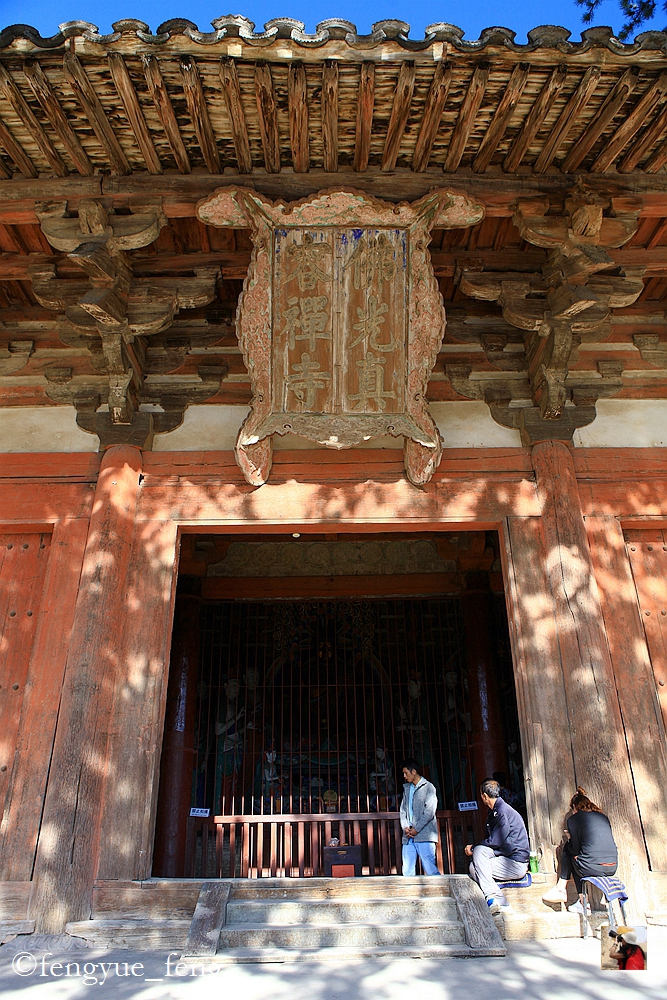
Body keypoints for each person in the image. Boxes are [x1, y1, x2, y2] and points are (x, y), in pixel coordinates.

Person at [542, 787, 618, 914]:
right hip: (612, 866)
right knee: (577, 857)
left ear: (575, 807)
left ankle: (576, 897)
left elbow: (576, 849)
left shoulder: (574, 819)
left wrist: (571, 838)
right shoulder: (603, 817)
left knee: (571, 852)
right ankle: (569, 894)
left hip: (592, 867)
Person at [466, 778, 530, 913]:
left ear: (484, 796)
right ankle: (501, 901)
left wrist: (473, 847)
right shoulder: (495, 811)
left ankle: (491, 897)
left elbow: (496, 841)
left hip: (515, 862)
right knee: (474, 866)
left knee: (478, 858)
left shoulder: (502, 811)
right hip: (504, 856)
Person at [399, 758, 441, 876]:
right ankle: (409, 893)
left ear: (414, 772)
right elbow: (403, 810)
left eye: (406, 773)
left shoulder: (429, 787)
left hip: (425, 834)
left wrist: (416, 829)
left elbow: (429, 812)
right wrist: (405, 827)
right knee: (407, 870)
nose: (404, 776)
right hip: (408, 835)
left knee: (430, 868)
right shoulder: (407, 789)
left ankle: (438, 892)